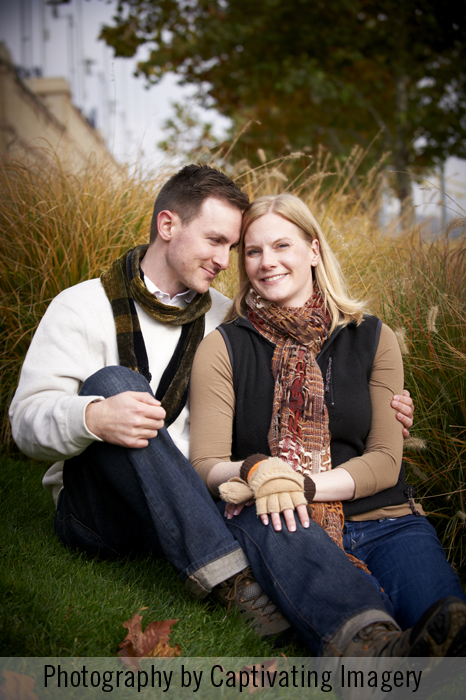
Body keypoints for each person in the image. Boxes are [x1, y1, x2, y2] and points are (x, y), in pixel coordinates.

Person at [9, 165, 414, 643]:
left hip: (199, 502)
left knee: (267, 492)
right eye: (215, 240)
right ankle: (233, 580)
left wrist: (380, 408)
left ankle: (370, 636)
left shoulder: (227, 318)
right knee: (116, 382)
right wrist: (92, 416)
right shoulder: (82, 307)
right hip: (101, 512)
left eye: (232, 247)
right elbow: (25, 422)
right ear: (168, 226)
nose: (226, 259)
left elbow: (284, 390)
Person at [189, 193, 466, 657]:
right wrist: (258, 473)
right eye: (253, 252)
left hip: (387, 520)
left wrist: (300, 483)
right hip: (289, 525)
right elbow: (205, 463)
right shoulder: (223, 348)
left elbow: (383, 463)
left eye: (282, 246)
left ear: (313, 251)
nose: (266, 262)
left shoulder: (373, 337)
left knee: (448, 627)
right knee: (390, 644)